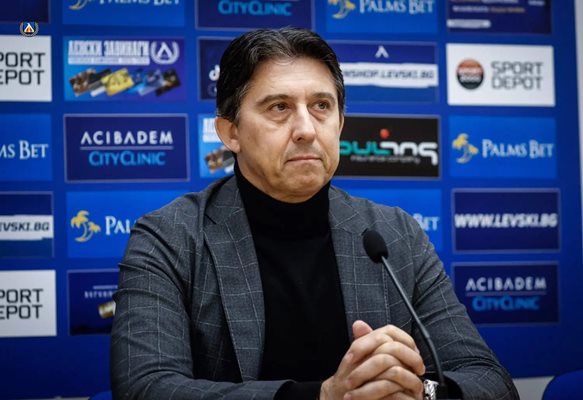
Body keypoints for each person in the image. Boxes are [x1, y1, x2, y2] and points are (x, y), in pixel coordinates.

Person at [110, 27, 519, 400]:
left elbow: (490, 381)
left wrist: (417, 390)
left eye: (321, 105)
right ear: (230, 132)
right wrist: (322, 397)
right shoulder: (170, 237)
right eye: (279, 107)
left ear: (339, 123)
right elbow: (145, 387)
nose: (306, 128)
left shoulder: (395, 235)